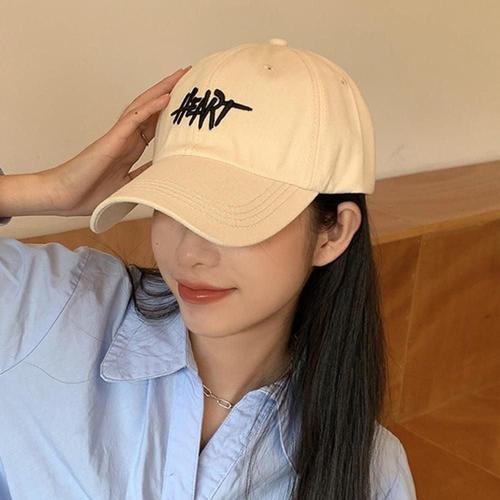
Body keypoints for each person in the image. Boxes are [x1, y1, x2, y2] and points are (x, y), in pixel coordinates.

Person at [0, 39, 417, 499]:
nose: (190, 254)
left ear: (332, 232)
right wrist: (46, 190)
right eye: (171, 202)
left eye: (235, 213)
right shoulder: (51, 307)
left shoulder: (371, 474)